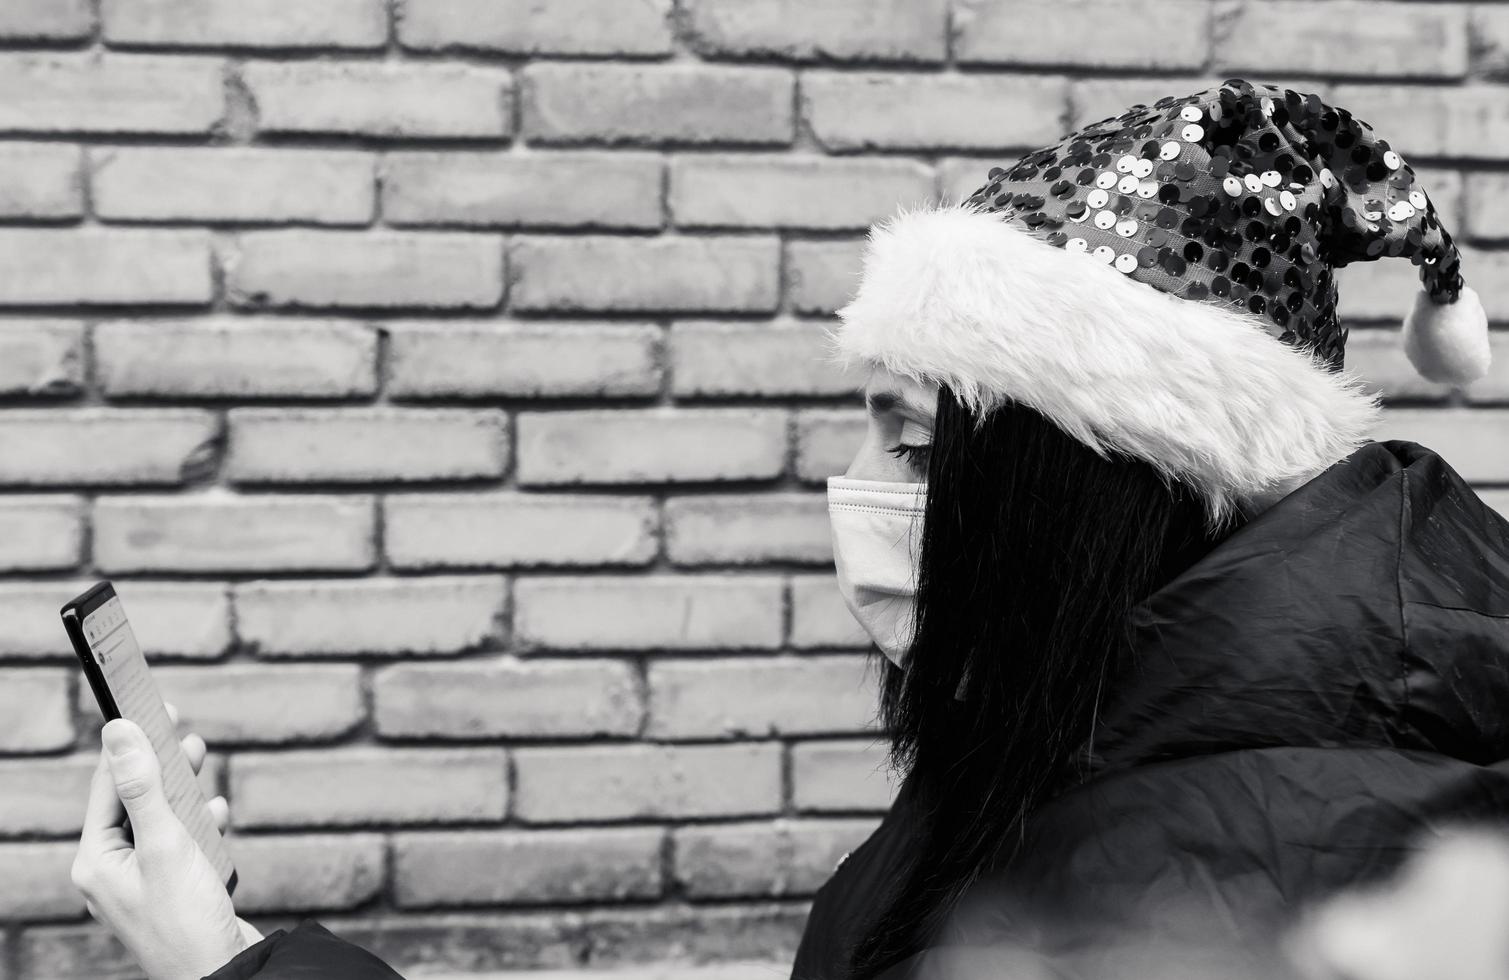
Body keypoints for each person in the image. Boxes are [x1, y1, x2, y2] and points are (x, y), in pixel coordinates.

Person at [72, 78, 1508, 980]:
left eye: (905, 437)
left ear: (1100, 482)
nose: (855, 487)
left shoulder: (1271, 864)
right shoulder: (1129, 726)